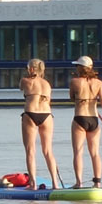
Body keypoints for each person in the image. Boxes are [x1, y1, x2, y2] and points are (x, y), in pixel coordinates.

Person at [68, 55, 102, 188]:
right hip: (94, 119)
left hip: (80, 118)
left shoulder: (74, 81)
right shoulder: (99, 83)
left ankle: (78, 183)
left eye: (77, 66)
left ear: (81, 68)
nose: (76, 68)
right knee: (95, 153)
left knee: (78, 152)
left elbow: (72, 97)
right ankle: (97, 184)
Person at [18, 58, 60, 189]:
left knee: (30, 151)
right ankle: (55, 183)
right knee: (48, 151)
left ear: (30, 69)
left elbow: (21, 88)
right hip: (47, 115)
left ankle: (33, 184)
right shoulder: (47, 83)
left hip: (30, 113)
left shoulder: (25, 81)